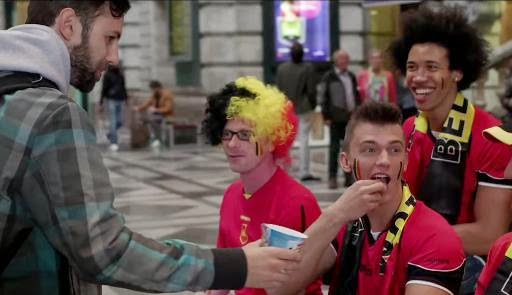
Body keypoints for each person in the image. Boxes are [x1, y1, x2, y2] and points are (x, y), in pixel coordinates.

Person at [0, 1, 302, 294]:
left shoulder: (10, 95)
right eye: (110, 38)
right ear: (69, 25)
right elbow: (105, 251)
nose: (114, 56)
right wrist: (236, 267)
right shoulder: (52, 113)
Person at [272, 101, 465, 295]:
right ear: (345, 162)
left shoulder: (435, 237)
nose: (384, 161)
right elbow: (279, 287)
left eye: (394, 150)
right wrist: (334, 214)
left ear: (405, 161)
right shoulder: (343, 222)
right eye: (370, 150)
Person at [389, 4, 512, 293]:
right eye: (412, 67)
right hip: (409, 264)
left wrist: (401, 237)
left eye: (432, 67)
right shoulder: (407, 129)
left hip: (466, 275)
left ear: (457, 72)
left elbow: (488, 235)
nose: (418, 78)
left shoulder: (492, 138)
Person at [202, 76, 323, 295]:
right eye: (227, 133)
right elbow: (224, 273)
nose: (232, 143)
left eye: (245, 135)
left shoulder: (297, 202)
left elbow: (293, 286)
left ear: (270, 140)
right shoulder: (230, 195)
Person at [276, 42, 320, 182]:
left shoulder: (281, 69)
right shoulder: (308, 68)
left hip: (286, 108)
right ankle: (304, 171)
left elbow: (278, 90)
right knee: (304, 139)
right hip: (304, 108)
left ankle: (283, 169)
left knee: (285, 140)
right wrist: (313, 105)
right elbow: (311, 90)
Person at [318, 49, 361, 189]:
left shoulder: (351, 76)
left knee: (348, 148)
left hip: (350, 117)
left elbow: (356, 94)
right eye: (342, 59)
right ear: (336, 61)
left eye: (346, 59)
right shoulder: (329, 77)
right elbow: (323, 96)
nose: (344, 62)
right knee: (334, 148)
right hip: (335, 117)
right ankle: (332, 177)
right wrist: (325, 115)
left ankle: (348, 177)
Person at [134, 80, 173, 148]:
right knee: (144, 120)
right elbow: (147, 103)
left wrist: (156, 110)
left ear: (158, 88)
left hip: (166, 115)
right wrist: (138, 108)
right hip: (156, 115)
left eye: (153, 89)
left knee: (153, 121)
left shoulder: (167, 95)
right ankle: (153, 138)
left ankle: (158, 139)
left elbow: (168, 108)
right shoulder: (154, 95)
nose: (152, 91)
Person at [100, 64, 128, 151]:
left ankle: (110, 134)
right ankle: (114, 143)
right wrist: (101, 100)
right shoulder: (107, 75)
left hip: (121, 99)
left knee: (120, 122)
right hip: (111, 100)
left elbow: (124, 87)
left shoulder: (120, 75)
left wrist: (126, 98)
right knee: (113, 121)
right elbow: (104, 88)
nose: (117, 66)